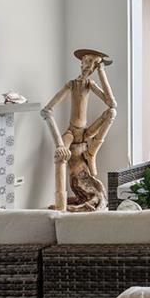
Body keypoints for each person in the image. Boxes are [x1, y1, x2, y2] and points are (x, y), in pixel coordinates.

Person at [40, 49, 117, 211]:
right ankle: (61, 207)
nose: (90, 65)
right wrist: (60, 144)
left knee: (111, 113)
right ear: (81, 62)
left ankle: (91, 153)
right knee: (60, 157)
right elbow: (46, 111)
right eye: (87, 60)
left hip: (86, 133)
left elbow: (111, 104)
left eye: (94, 63)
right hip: (71, 133)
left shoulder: (90, 84)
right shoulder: (72, 84)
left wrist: (101, 70)